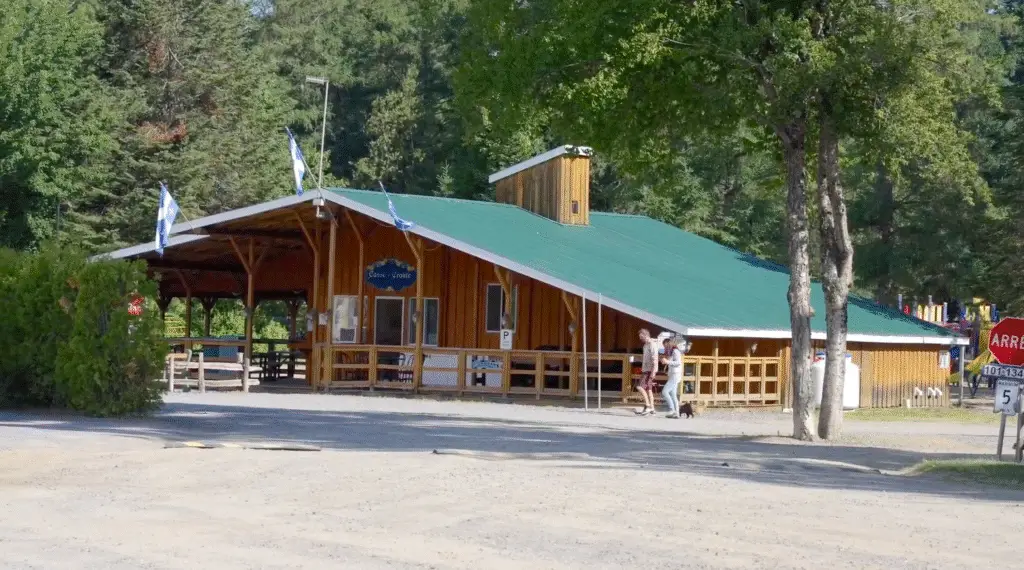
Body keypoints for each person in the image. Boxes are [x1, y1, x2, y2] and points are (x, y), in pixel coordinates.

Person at [635, 329, 659, 415]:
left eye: (641, 337)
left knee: (639, 387)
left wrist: (653, 371)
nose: (641, 339)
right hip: (646, 368)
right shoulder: (645, 345)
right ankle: (652, 408)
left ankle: (647, 405)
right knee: (649, 389)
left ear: (646, 335)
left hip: (649, 370)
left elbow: (655, 358)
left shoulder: (652, 344)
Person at [660, 338, 683, 418]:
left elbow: (678, 363)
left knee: (665, 392)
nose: (665, 348)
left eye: (665, 346)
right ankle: (676, 412)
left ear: (668, 344)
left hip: (675, 374)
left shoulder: (675, 351)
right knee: (673, 394)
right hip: (672, 374)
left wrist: (667, 362)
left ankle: (671, 409)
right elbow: (671, 362)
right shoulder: (671, 352)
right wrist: (665, 361)